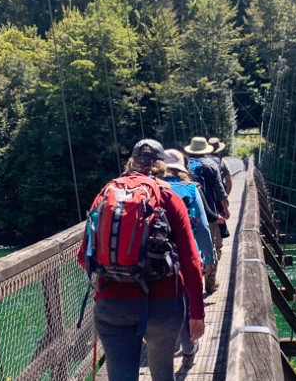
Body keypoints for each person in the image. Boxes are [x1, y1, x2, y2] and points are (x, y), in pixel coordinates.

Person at [78, 139, 205, 381]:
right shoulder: (168, 197)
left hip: (112, 303)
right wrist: (197, 311)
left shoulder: (106, 194)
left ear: (131, 162)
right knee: (162, 375)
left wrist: (115, 270)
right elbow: (190, 260)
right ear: (161, 166)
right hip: (164, 302)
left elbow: (83, 256)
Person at [159, 148, 216, 366]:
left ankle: (165, 342)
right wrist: (209, 258)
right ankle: (188, 347)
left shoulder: (152, 189)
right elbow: (202, 227)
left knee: (162, 299)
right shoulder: (190, 189)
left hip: (158, 259)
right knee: (186, 302)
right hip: (186, 258)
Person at [184, 136, 228, 294]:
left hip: (188, 214)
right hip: (210, 213)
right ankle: (210, 279)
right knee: (214, 245)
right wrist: (225, 210)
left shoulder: (184, 166)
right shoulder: (211, 164)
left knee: (192, 246)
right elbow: (220, 191)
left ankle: (193, 281)